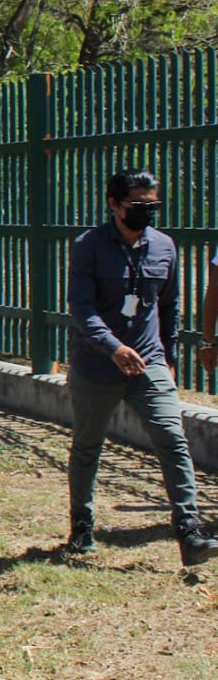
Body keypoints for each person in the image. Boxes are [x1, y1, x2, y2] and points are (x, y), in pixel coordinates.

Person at [66, 168, 218, 566]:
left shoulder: (164, 247)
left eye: (153, 205)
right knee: (87, 446)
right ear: (114, 204)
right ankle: (82, 523)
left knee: (172, 438)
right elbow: (81, 308)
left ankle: (188, 529)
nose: (147, 212)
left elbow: (169, 306)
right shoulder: (89, 246)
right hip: (97, 365)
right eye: (138, 205)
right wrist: (112, 348)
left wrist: (167, 358)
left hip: (148, 362)